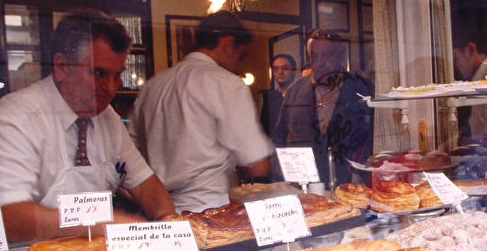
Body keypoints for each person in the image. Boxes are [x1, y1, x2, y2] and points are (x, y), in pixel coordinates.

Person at [0, 9, 178, 243]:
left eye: (117, 74)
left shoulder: (106, 117)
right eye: (98, 73)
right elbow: (9, 218)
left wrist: (168, 222)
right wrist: (106, 225)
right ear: (61, 67)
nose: (110, 87)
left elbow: (144, 183)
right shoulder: (14, 118)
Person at [129, 11, 272, 213]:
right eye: (242, 54)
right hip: (208, 208)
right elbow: (257, 164)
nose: (239, 62)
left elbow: (130, 153)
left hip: (157, 211)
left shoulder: (153, 86)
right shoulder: (225, 84)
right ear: (228, 44)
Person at [273, 30, 373, 186]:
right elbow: (280, 138)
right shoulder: (295, 91)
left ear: (341, 55)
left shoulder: (362, 88)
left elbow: (374, 137)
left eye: (327, 55)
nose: (320, 63)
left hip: (351, 185)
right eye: (315, 56)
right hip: (306, 186)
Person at [259, 53, 296, 136]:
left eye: (285, 68)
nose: (280, 72)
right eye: (276, 69)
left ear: (293, 71)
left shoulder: (301, 96)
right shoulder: (269, 99)